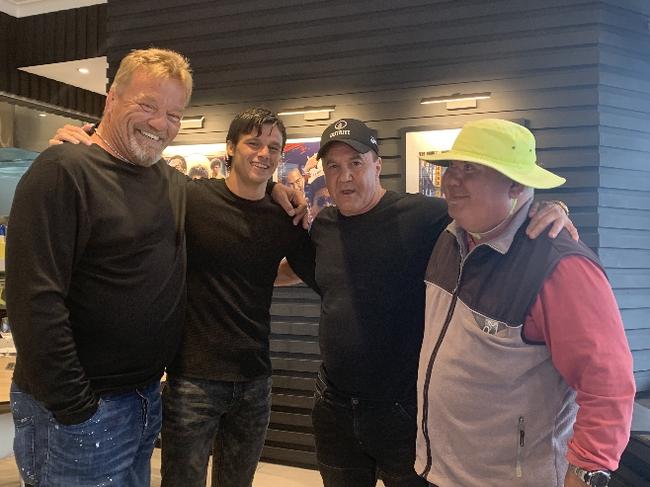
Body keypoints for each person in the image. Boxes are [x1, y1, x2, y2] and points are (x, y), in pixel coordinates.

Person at [277, 118, 576, 487]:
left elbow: (492, 212)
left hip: (402, 409)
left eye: (355, 163)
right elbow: (302, 271)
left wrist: (550, 207)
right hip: (334, 406)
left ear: (377, 165)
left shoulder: (424, 216)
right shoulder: (324, 226)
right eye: (333, 166)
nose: (344, 177)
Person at [49, 107, 315, 487]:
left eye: (274, 147)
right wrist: (81, 139)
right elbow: (134, 162)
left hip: (255, 378)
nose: (264, 153)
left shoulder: (282, 214)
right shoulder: (191, 197)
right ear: (230, 148)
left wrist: (278, 201)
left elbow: (314, 270)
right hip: (194, 377)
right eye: (253, 143)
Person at [6, 47, 193, 487]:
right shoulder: (63, 169)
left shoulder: (167, 182)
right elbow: (33, 301)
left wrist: (284, 193)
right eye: (146, 105)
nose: (160, 124)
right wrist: (76, 406)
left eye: (173, 114)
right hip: (81, 411)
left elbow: (231, 200)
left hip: (144, 398)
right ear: (111, 98)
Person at [416, 118, 635, 487]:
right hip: (443, 472)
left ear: (516, 182)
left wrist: (586, 473)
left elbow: (609, 385)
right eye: (451, 166)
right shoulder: (451, 237)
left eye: (470, 169)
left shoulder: (559, 265)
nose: (451, 179)